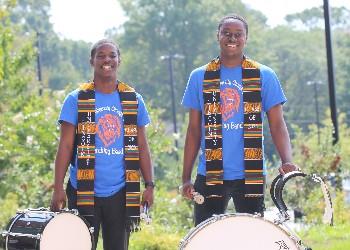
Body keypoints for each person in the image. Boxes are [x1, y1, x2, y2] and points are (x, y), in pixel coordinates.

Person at [181, 14, 298, 226]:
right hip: (210, 173)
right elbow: (193, 131)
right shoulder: (199, 76)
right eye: (226, 33)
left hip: (250, 174)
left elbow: (277, 124)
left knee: (252, 236)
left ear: (246, 38)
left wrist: (286, 159)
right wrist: (186, 177)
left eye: (238, 34)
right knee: (205, 237)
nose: (232, 38)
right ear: (218, 36)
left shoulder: (264, 75)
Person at [50, 39, 154, 250]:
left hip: (120, 192)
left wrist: (150, 185)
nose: (107, 60)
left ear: (119, 60)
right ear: (92, 61)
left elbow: (142, 146)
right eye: (101, 55)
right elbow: (66, 146)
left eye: (112, 55)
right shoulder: (76, 99)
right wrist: (58, 187)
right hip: (82, 191)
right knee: (80, 246)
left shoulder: (133, 99)